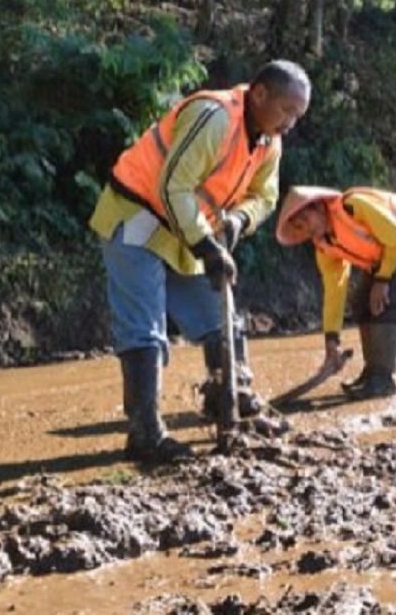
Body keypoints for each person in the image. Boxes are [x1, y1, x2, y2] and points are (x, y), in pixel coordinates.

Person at [89, 60, 311, 462]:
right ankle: (145, 435)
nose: (290, 123)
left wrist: (240, 220)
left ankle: (230, 405)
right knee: (145, 330)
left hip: (187, 232)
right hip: (138, 217)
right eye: (287, 110)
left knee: (219, 319)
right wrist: (207, 248)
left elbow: (266, 197)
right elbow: (174, 187)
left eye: (298, 115)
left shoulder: (268, 143)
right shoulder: (214, 118)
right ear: (259, 94)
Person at [275, 186, 396, 399]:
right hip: (386, 253)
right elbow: (334, 291)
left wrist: (382, 279)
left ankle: (383, 379)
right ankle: (372, 374)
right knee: (361, 304)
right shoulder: (324, 246)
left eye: (305, 220)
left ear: (319, 208)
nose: (306, 230)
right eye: (299, 228)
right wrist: (332, 341)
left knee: (384, 304)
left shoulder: (354, 206)